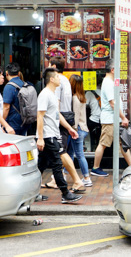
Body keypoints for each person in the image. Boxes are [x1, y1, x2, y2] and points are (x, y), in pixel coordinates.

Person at [36, 67, 82, 204]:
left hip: (52, 135)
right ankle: (65, 193)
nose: (59, 79)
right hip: (48, 136)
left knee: (40, 166)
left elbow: (57, 115)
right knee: (57, 164)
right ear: (51, 79)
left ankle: (32, 193)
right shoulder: (45, 94)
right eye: (57, 77)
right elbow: (40, 116)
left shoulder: (53, 94)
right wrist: (40, 138)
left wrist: (69, 128)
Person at [43, 56, 85, 192]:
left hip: (60, 118)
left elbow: (57, 105)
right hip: (66, 117)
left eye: (49, 64)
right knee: (56, 152)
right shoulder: (65, 79)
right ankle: (56, 179)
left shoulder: (57, 82)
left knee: (61, 151)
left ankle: (75, 181)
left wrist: (60, 122)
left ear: (54, 67)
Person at [91, 59, 131, 177]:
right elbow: (112, 104)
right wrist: (123, 117)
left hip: (114, 119)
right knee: (104, 143)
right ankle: (95, 168)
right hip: (110, 119)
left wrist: (121, 118)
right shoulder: (108, 83)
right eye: (118, 68)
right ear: (113, 69)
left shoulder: (110, 82)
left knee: (123, 143)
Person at [67, 75, 93, 187]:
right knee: (69, 153)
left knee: (79, 154)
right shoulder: (81, 96)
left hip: (78, 129)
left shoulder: (75, 98)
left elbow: (76, 116)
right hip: (83, 128)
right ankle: (64, 173)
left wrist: (73, 130)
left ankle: (87, 177)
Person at [2, 62, 35, 136]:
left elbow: (6, 107)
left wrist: (2, 123)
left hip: (13, 122)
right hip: (25, 120)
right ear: (19, 73)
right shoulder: (25, 84)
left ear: (7, 73)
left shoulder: (9, 86)